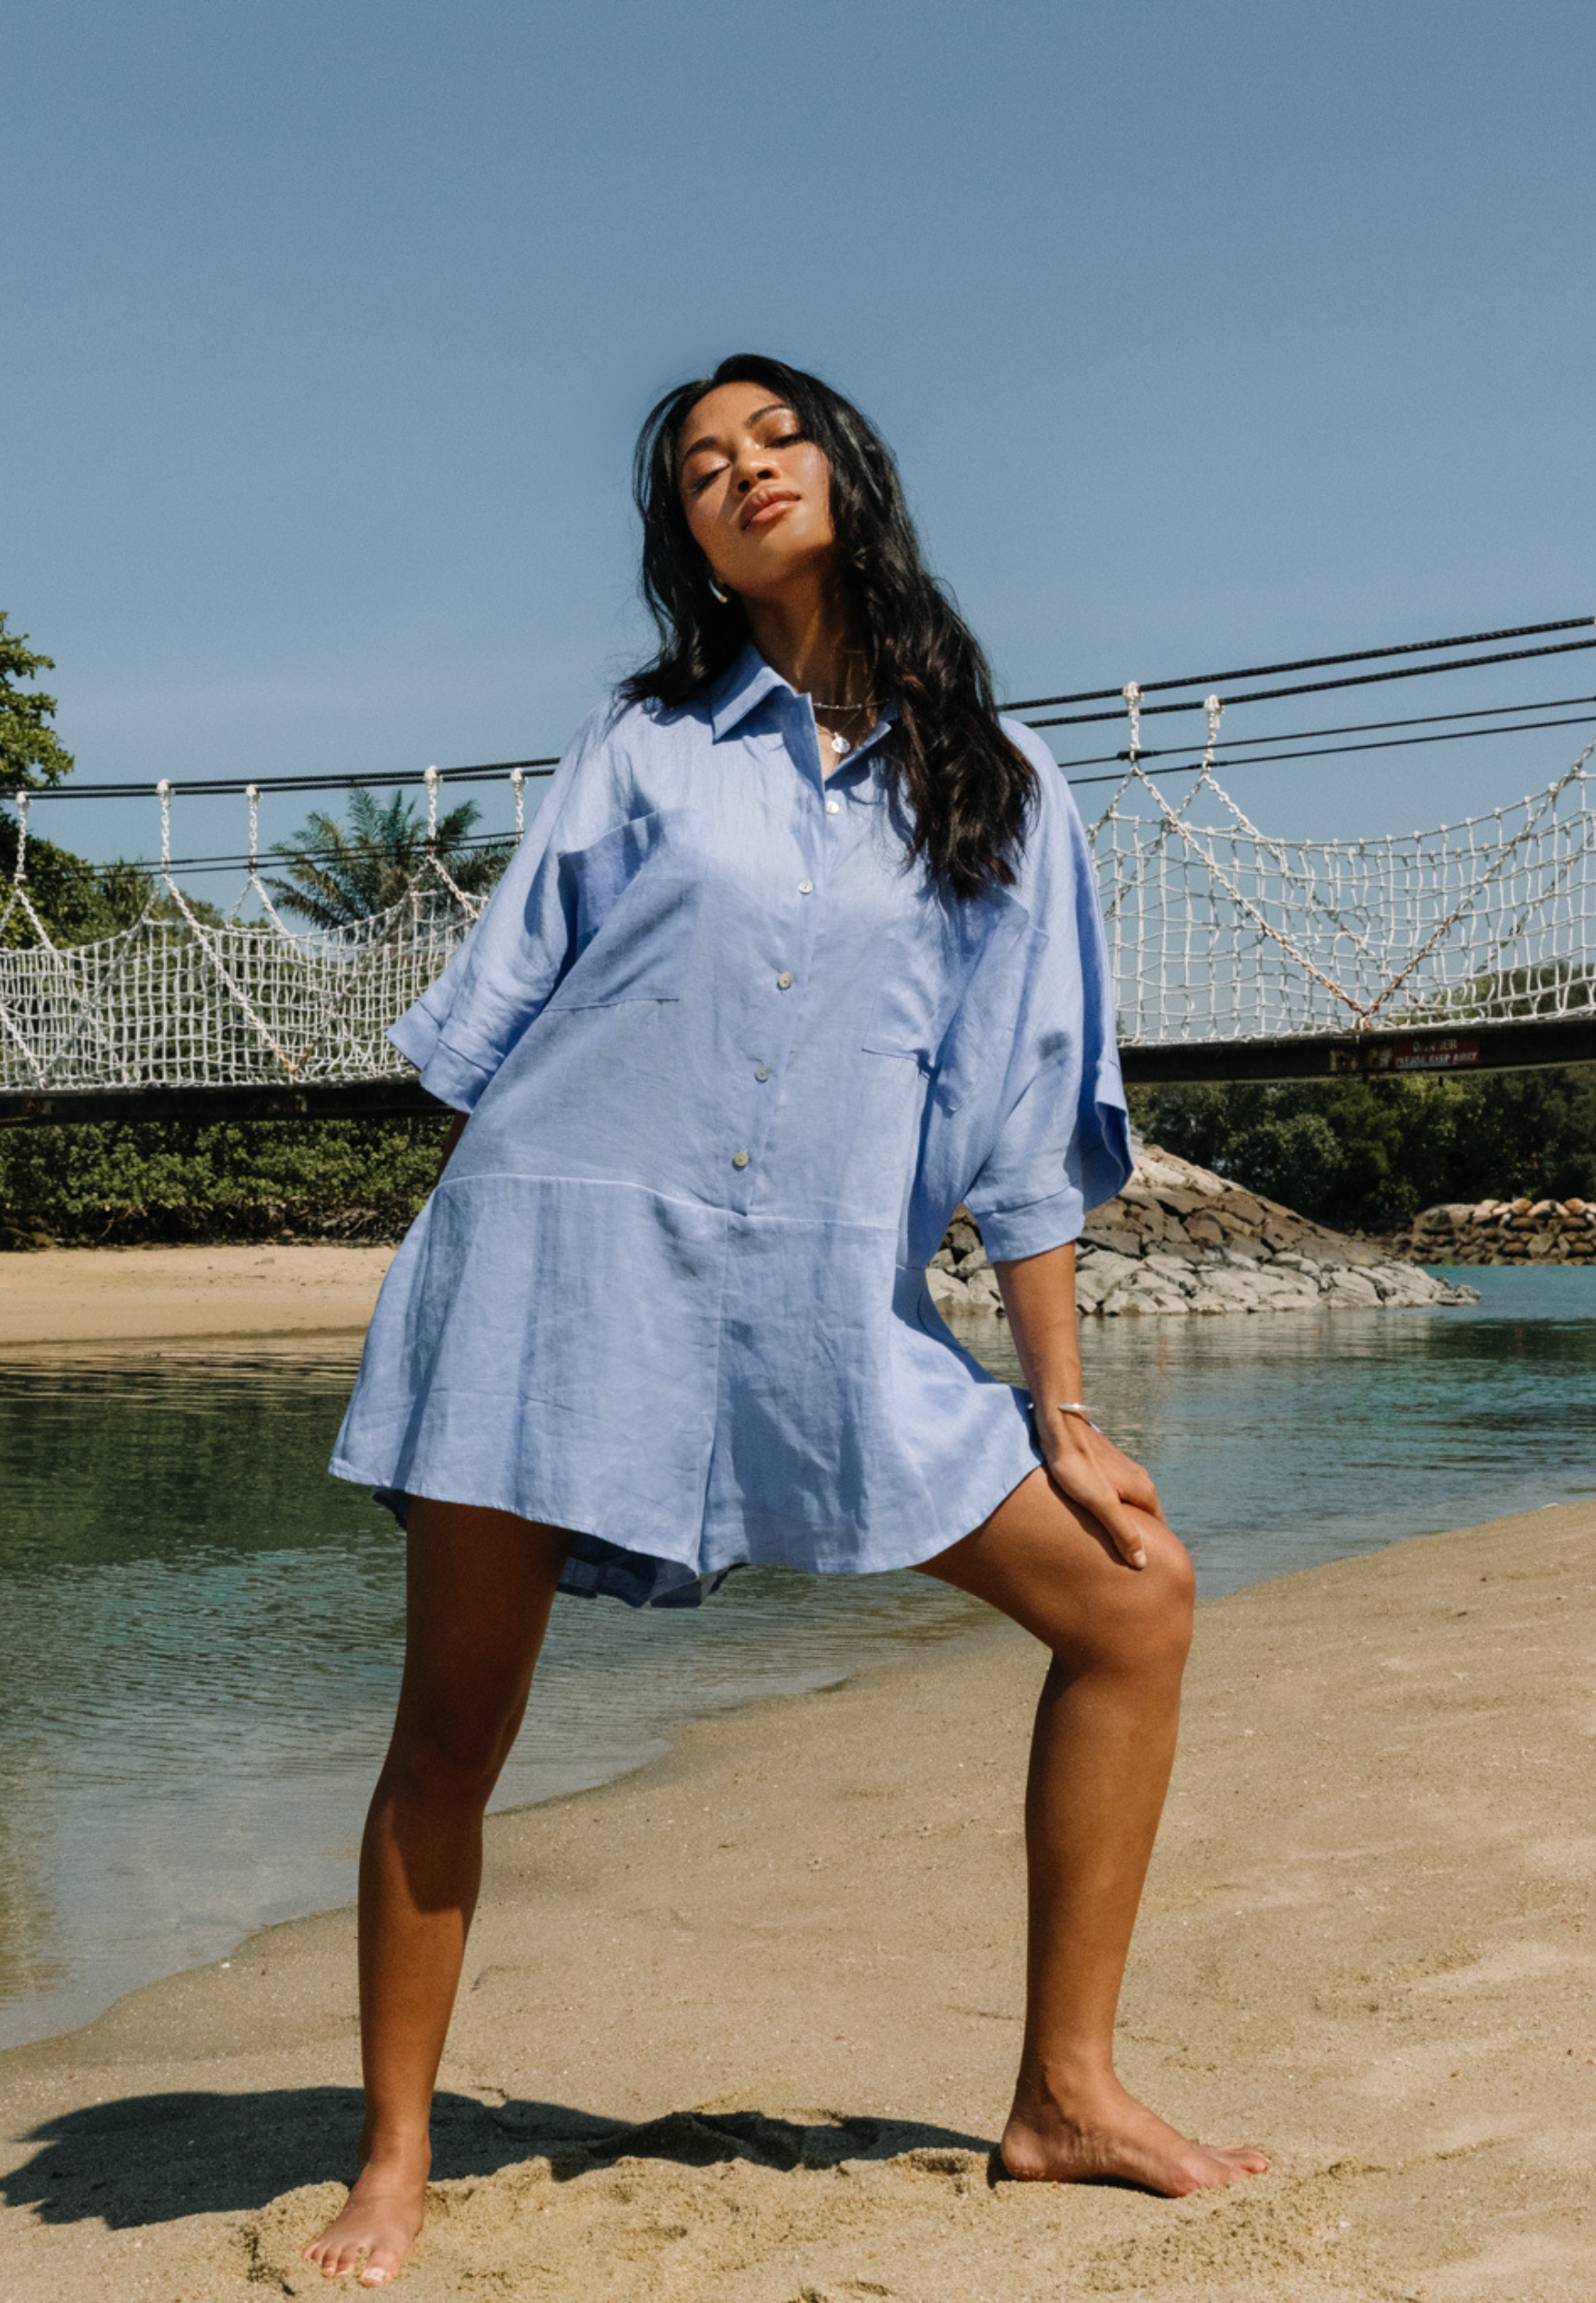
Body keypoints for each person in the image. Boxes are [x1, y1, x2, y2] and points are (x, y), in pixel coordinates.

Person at [303, 355, 1266, 2286]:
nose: (741, 474)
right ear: (686, 536)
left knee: (1134, 1596)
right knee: (453, 1727)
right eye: (698, 469)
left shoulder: (996, 775)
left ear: (844, 469)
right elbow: (503, 1024)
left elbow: (1020, 1109)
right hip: (558, 1271)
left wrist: (1060, 1399)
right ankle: (393, 2158)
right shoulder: (643, 740)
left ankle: (1066, 2092)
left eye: (773, 441)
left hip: (817, 1301)